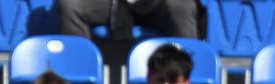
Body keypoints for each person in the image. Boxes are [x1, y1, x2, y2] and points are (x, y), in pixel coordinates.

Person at [57, 0, 197, 41]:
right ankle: (78, 75)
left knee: (181, 6)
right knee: (71, 4)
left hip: (159, 4)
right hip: (111, 3)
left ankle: (187, 74)